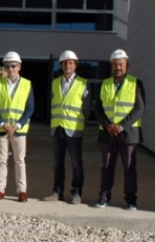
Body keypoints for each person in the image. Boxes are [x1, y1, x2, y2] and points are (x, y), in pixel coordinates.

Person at [94, 49, 146, 210]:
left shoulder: (136, 83)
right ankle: (104, 197)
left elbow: (139, 108)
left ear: (127, 65)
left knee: (129, 168)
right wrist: (108, 125)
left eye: (121, 64)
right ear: (111, 66)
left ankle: (131, 200)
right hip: (107, 133)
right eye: (115, 64)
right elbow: (98, 108)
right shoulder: (105, 84)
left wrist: (122, 126)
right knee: (107, 167)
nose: (118, 67)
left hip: (128, 134)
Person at [43, 50, 92, 204]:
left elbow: (88, 107)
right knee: (58, 163)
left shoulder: (83, 83)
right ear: (61, 65)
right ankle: (57, 191)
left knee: (76, 164)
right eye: (65, 63)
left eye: (70, 63)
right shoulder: (55, 83)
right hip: (57, 128)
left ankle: (77, 193)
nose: (67, 65)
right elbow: (52, 103)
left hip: (73, 129)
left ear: (75, 65)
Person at [0, 51, 34, 203]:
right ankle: (0, 190)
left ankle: (22, 191)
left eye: (13, 66)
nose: (10, 69)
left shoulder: (27, 84)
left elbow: (30, 108)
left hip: (19, 129)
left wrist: (18, 124)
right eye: (7, 66)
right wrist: (1, 123)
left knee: (19, 160)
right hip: (1, 129)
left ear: (19, 67)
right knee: (2, 160)